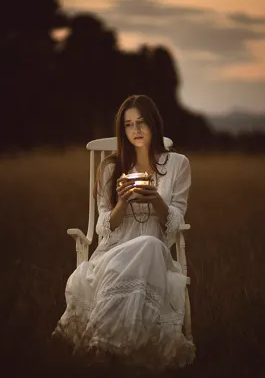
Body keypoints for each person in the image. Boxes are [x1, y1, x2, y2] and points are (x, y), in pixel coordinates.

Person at [52, 94, 195, 370]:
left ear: (154, 124)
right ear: (123, 130)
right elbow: (103, 227)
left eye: (141, 123)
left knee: (151, 245)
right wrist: (122, 203)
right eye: (129, 125)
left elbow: (176, 223)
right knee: (144, 246)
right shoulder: (110, 168)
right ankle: (106, 349)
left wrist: (156, 199)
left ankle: (102, 345)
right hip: (114, 254)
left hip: (154, 254)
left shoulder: (178, 164)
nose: (136, 130)